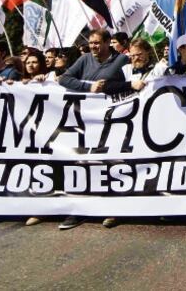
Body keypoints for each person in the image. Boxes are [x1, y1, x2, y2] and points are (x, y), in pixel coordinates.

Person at [55, 28, 130, 230]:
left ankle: (111, 210)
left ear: (108, 43)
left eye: (97, 43)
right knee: (82, 164)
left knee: (110, 164)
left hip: (112, 120)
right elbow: (64, 79)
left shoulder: (122, 61)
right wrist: (88, 88)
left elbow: (128, 86)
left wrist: (106, 88)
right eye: (91, 43)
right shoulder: (85, 59)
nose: (93, 47)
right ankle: (78, 211)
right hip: (86, 121)